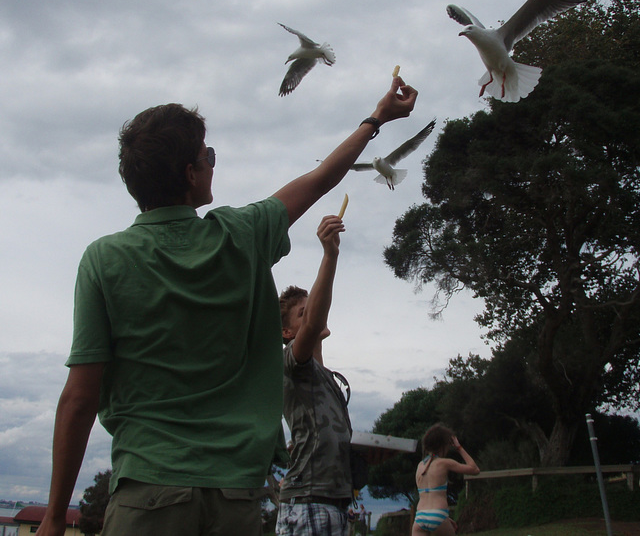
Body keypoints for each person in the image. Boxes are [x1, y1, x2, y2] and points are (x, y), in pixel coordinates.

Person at [35, 76, 418, 536]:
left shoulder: (103, 260)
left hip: (146, 492)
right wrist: (378, 118)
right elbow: (320, 180)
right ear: (190, 175)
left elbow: (80, 398)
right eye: (207, 157)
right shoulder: (240, 235)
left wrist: (55, 517)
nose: (212, 165)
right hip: (235, 499)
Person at [275, 211, 350, 536]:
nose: (313, 317)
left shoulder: (328, 378)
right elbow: (316, 323)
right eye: (302, 314)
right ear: (287, 332)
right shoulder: (292, 362)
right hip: (306, 502)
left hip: (335, 502)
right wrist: (330, 254)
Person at [412, 424, 479, 536]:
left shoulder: (420, 466)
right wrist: (459, 448)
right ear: (443, 445)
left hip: (420, 517)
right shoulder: (444, 463)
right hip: (438, 514)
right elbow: (475, 469)